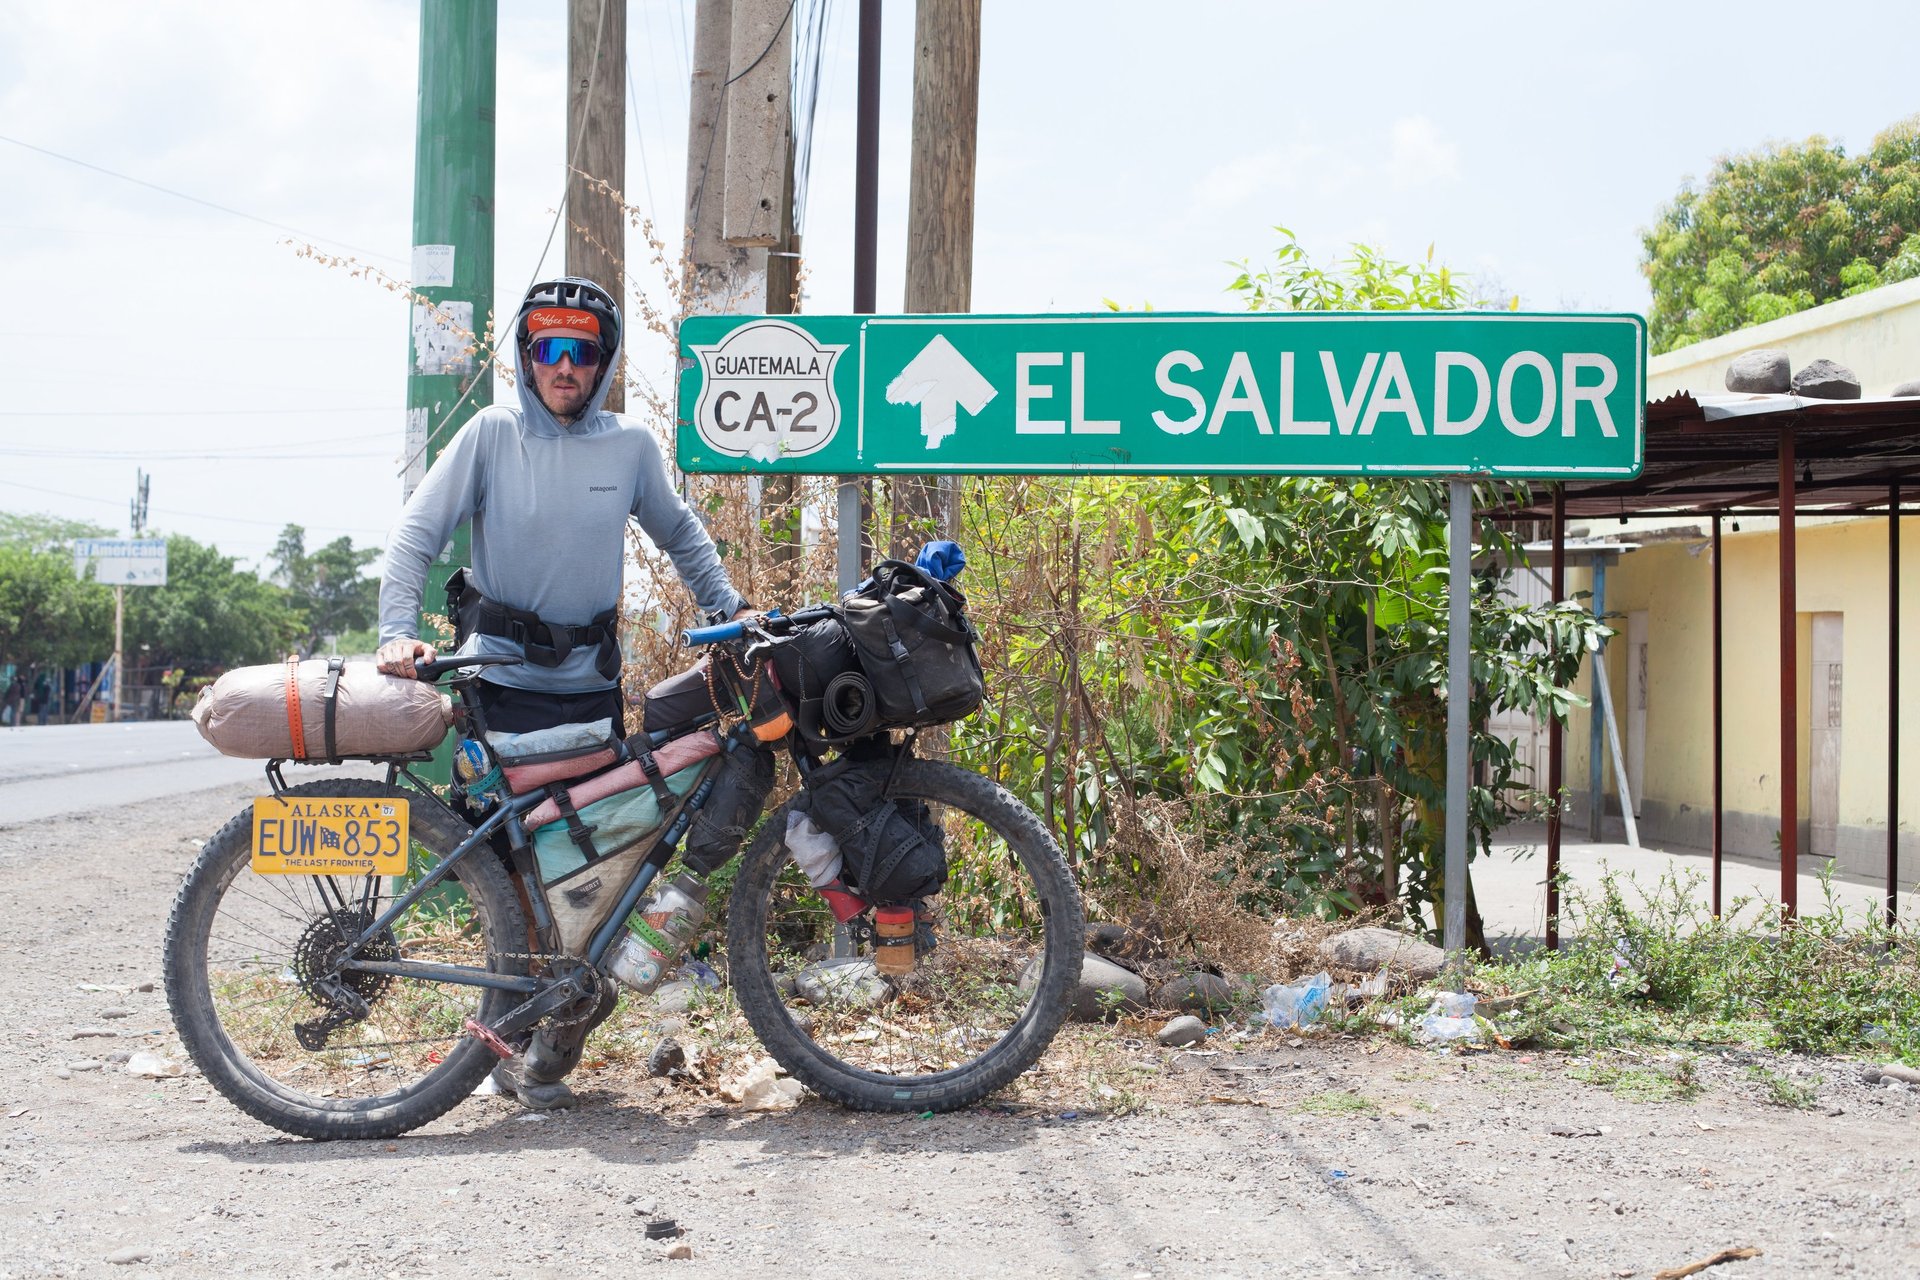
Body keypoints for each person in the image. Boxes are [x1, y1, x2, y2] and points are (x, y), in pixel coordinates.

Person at [376, 276, 751, 1109]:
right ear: (525, 355)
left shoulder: (630, 448)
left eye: (582, 349)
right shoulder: (491, 434)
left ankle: (553, 1041)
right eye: (547, 346)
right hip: (502, 690)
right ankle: (507, 1039)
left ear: (604, 362)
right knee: (515, 878)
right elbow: (415, 534)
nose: (564, 364)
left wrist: (731, 613)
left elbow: (684, 537)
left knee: (594, 863)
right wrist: (396, 631)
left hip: (591, 693)